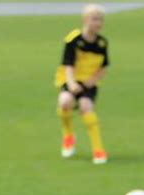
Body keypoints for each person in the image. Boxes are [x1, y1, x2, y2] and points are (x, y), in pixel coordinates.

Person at [54, 4, 109, 164]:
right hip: (70, 79)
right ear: (85, 20)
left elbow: (104, 66)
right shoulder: (73, 39)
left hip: (89, 82)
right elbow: (68, 64)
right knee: (65, 102)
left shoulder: (102, 44)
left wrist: (92, 81)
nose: (98, 23)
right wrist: (71, 84)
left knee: (86, 106)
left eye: (100, 20)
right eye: (94, 19)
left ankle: (98, 149)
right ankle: (68, 135)